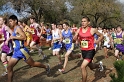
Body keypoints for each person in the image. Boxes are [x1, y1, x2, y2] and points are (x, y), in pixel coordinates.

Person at [7, 15, 50, 82]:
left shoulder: (18, 28)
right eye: (9, 21)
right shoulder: (15, 29)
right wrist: (10, 39)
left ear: (15, 21)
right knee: (9, 67)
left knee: (32, 64)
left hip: (22, 51)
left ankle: (46, 67)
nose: (10, 23)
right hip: (16, 52)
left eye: (11, 21)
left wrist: (14, 37)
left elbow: (24, 37)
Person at [73, 16, 104, 82]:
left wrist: (98, 41)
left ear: (88, 22)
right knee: (91, 66)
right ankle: (99, 65)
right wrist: (74, 39)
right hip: (83, 51)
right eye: (82, 21)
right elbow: (73, 40)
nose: (83, 23)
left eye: (84, 21)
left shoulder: (92, 30)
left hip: (90, 50)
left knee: (83, 66)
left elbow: (101, 35)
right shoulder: (79, 30)